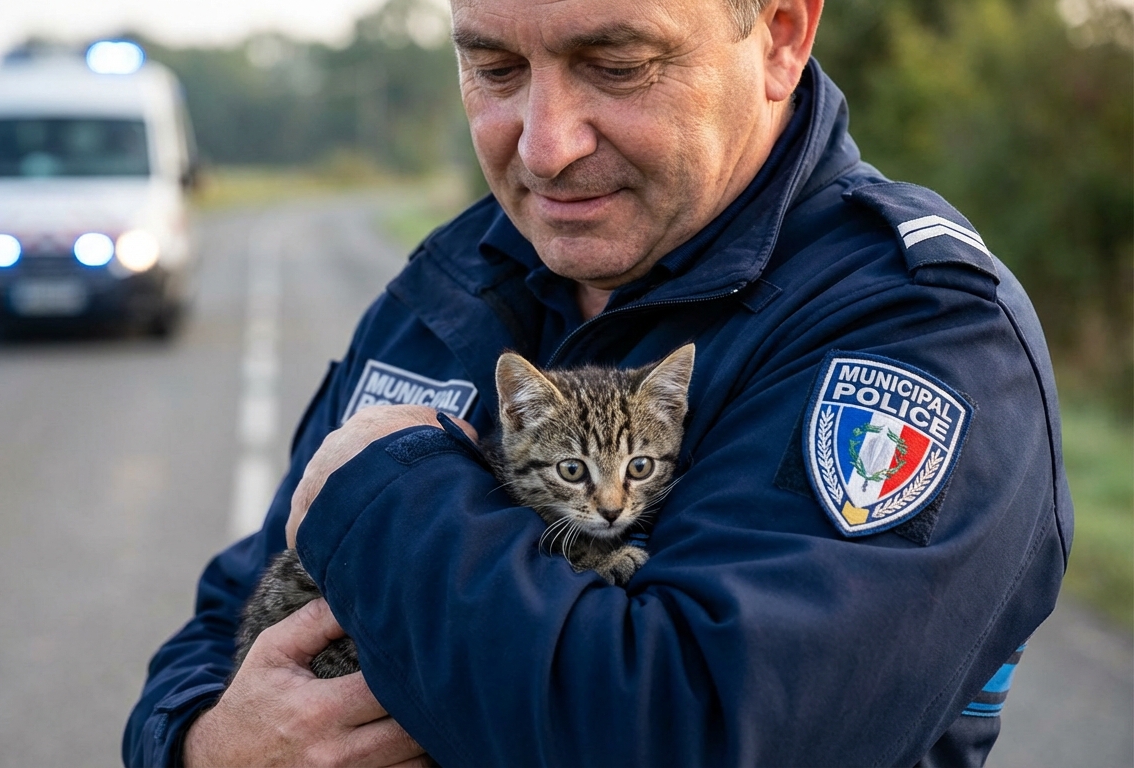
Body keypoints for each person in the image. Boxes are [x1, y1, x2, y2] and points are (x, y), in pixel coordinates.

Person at [124, 0, 1071, 764]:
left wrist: (394, 489)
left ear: (781, 36)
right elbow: (222, 623)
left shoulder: (916, 330)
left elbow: (689, 732)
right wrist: (207, 749)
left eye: (618, 65)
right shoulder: (457, 275)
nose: (545, 147)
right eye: (496, 68)